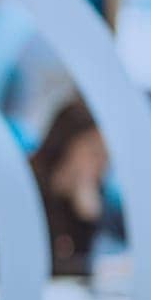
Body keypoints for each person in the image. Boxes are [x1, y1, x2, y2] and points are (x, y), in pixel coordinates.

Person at [30, 98, 110, 276]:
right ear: (66, 143)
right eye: (95, 152)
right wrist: (93, 268)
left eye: (105, 154)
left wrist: (86, 217)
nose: (102, 162)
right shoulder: (27, 186)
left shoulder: (90, 192)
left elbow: (79, 256)